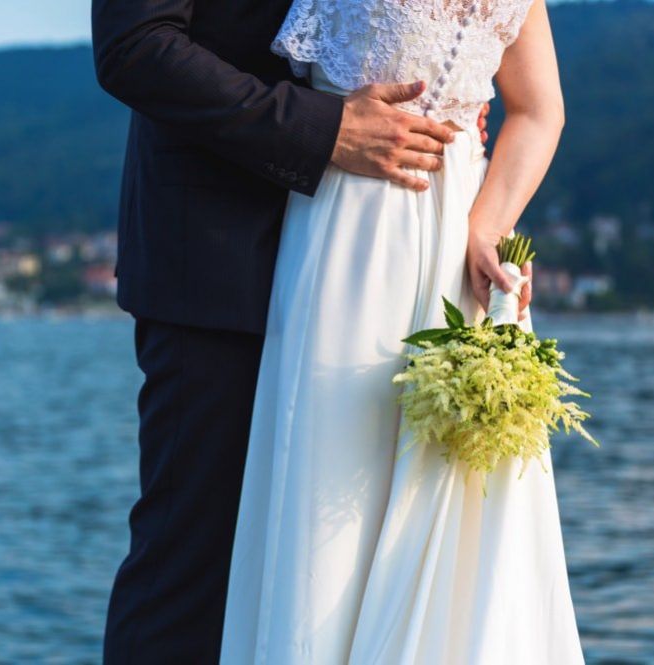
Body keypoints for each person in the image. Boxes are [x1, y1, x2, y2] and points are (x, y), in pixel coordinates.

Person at [91, 0, 493, 663]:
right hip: (223, 265)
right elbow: (134, 46)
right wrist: (322, 128)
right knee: (194, 573)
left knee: (361, 568)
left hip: (386, 277)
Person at [219, 0, 583, 663]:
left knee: (455, 482)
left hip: (460, 244)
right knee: (334, 473)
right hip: (352, 228)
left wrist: (488, 227)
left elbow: (538, 110)